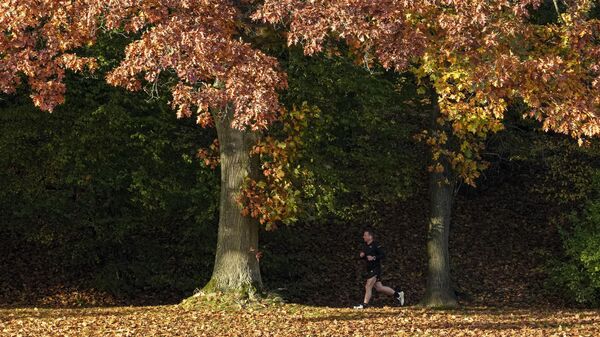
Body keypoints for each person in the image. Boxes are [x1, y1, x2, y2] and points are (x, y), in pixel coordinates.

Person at [353, 228, 404, 309]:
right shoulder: (365, 246)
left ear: (370, 236)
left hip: (376, 268)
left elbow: (383, 255)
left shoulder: (376, 245)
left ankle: (364, 305)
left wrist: (374, 258)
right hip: (369, 269)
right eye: (363, 235)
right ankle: (398, 294)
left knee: (368, 286)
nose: (363, 237)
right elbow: (364, 257)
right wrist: (361, 256)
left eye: (365, 235)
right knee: (379, 288)